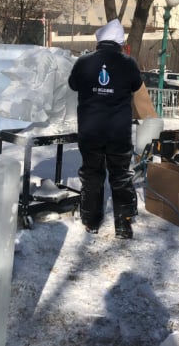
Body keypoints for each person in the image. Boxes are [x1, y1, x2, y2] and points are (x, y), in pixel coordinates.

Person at [68, 19, 143, 239]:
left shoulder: (83, 62)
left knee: (92, 174)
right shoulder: (129, 64)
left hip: (90, 129)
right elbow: (137, 86)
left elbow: (73, 85)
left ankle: (91, 221)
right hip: (118, 131)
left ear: (100, 41)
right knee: (120, 175)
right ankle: (123, 223)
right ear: (119, 42)